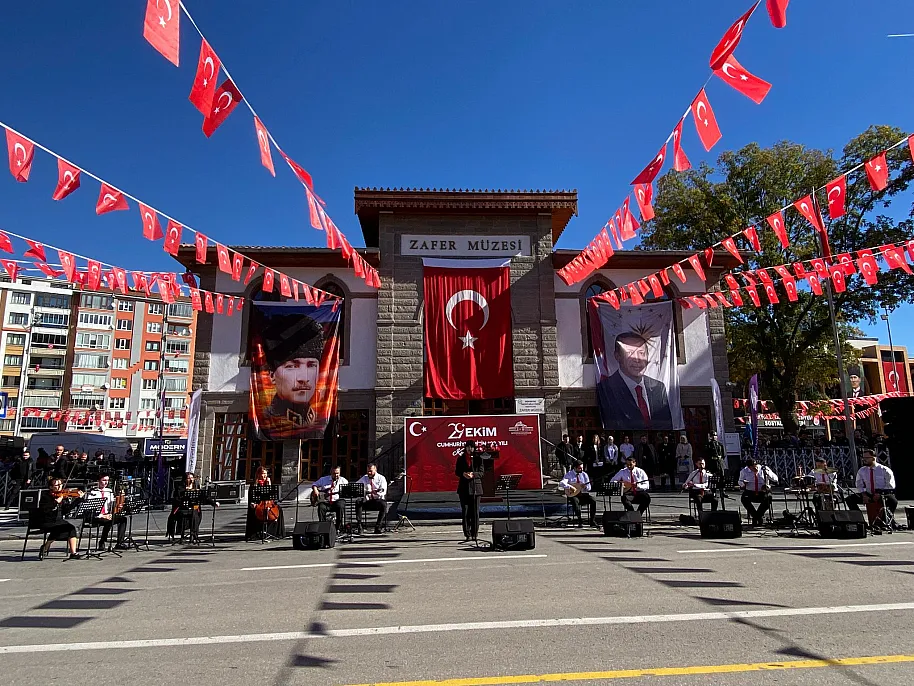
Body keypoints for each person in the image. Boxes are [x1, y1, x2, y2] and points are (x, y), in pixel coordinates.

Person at [258, 314, 325, 437]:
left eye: (311, 365)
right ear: (272, 375)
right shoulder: (263, 420)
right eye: (292, 366)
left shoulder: (322, 421)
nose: (304, 378)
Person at [597, 332, 673, 429]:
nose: (637, 359)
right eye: (630, 353)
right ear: (617, 356)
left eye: (641, 353)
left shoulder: (658, 387)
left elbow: (666, 424)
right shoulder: (607, 388)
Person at [37, 478, 83, 560]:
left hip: (58, 520)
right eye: (57, 485)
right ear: (51, 487)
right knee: (61, 528)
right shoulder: (46, 496)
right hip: (47, 520)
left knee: (71, 528)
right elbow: (44, 510)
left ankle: (73, 553)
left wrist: (78, 500)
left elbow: (66, 511)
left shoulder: (62, 496)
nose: (59, 486)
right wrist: (55, 502)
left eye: (60, 484)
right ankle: (46, 546)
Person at [846, 449, 897, 522]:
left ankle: (885, 520)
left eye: (866, 458)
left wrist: (880, 493)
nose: (864, 460)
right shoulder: (862, 470)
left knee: (893, 501)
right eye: (863, 458)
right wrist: (864, 495)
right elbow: (859, 484)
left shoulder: (884, 470)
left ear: (873, 458)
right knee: (849, 499)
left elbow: (890, 485)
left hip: (882, 493)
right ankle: (860, 521)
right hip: (868, 493)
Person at [168, 472, 218, 542]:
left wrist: (213, 503)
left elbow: (204, 497)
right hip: (182, 507)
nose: (190, 479)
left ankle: (193, 534)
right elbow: (176, 499)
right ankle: (178, 533)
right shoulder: (180, 487)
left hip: (194, 507)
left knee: (196, 513)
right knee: (175, 515)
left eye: (192, 478)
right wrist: (185, 492)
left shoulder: (196, 486)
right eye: (188, 478)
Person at [85, 474, 128, 551]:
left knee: (123, 519)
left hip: (106, 514)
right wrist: (102, 515)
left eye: (107, 480)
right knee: (108, 521)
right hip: (95, 516)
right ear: (98, 481)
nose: (106, 482)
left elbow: (111, 506)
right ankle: (102, 542)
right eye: (104, 480)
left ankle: (120, 542)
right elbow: (89, 509)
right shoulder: (92, 492)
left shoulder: (109, 491)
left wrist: (116, 506)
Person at [245, 466, 285, 541]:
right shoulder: (254, 484)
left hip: (268, 503)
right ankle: (256, 533)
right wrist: (253, 503)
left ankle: (276, 533)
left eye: (265, 474)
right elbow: (252, 496)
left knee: (279, 509)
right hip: (258, 503)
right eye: (263, 473)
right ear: (258, 474)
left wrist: (269, 484)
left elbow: (272, 496)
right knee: (254, 511)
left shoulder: (267, 482)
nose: (264, 475)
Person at [456, 442, 484, 542]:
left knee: (475, 512)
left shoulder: (478, 459)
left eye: (471, 447)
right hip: (464, 488)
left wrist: (473, 474)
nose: (469, 449)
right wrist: (463, 474)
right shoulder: (460, 459)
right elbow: (457, 471)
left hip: (476, 488)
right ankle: (467, 534)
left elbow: (481, 473)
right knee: (465, 512)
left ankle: (474, 534)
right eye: (468, 447)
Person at [739, 458, 779, 526]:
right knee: (744, 499)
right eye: (753, 467)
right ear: (749, 467)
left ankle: (757, 516)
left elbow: (776, 479)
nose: (755, 468)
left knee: (768, 498)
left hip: (762, 492)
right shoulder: (744, 471)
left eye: (756, 466)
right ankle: (756, 516)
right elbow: (740, 481)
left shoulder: (764, 469)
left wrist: (768, 474)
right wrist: (743, 483)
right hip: (750, 491)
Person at [559, 461, 596, 527]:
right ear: (575, 468)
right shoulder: (569, 474)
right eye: (579, 468)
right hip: (573, 495)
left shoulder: (584, 474)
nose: (581, 469)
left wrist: (585, 487)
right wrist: (570, 487)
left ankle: (592, 521)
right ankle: (580, 521)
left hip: (583, 494)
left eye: (582, 468)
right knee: (575, 501)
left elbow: (589, 488)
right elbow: (562, 483)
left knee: (593, 500)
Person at [355, 463, 389, 534]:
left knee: (384, 504)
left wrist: (375, 492)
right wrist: (364, 491)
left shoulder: (381, 478)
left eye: (371, 471)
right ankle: (359, 526)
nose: (369, 473)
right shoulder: (364, 478)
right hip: (367, 500)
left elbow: (383, 492)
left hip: (377, 500)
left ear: (375, 470)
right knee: (358, 502)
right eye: (368, 471)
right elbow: (356, 485)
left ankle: (378, 526)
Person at [312, 466, 348, 530]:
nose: (336, 475)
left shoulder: (343, 481)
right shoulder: (323, 479)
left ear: (340, 473)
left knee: (341, 505)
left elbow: (347, 492)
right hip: (326, 501)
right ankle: (323, 527)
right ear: (331, 473)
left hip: (337, 501)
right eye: (334, 473)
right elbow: (314, 484)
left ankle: (338, 527)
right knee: (321, 507)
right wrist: (315, 490)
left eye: (337, 473)